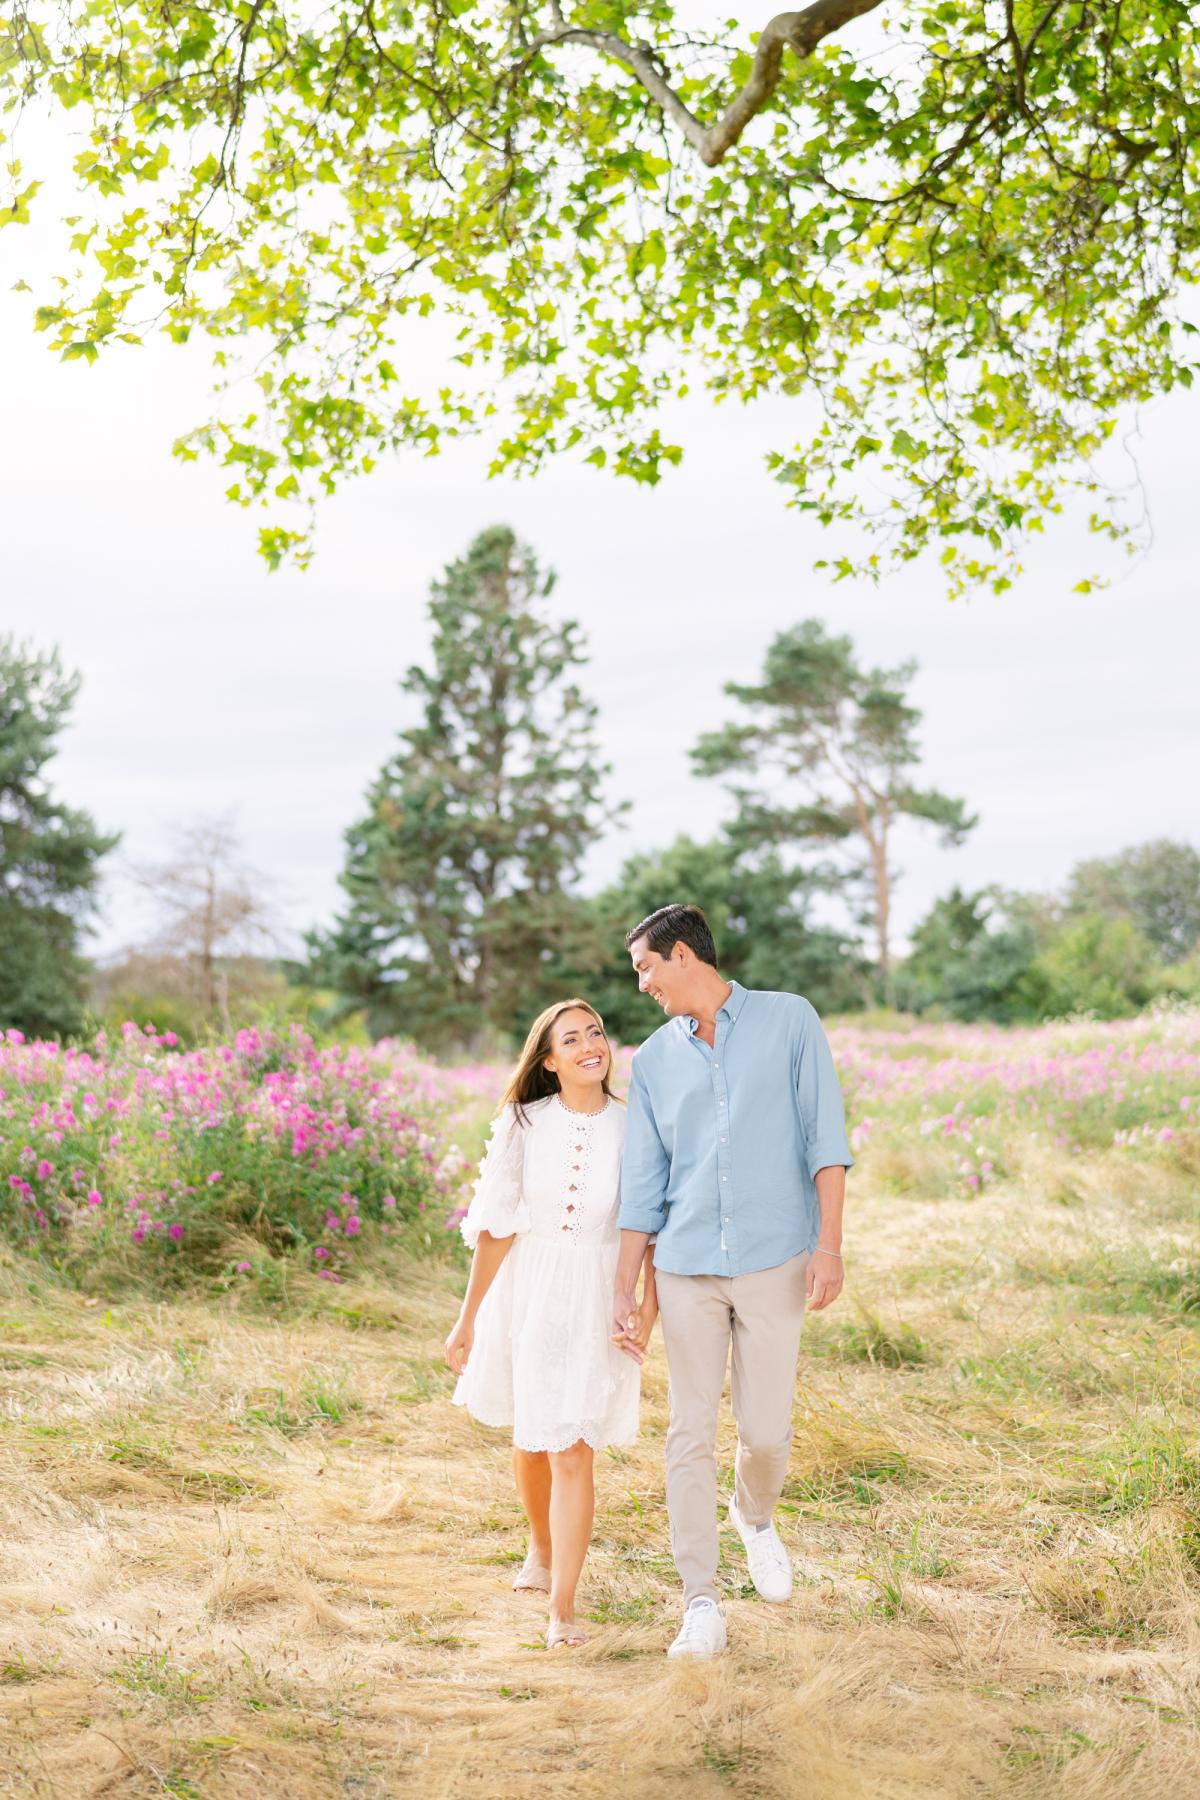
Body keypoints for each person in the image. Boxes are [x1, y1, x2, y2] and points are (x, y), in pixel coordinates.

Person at [611, 904, 852, 1660]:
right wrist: (628, 1290)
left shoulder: (790, 1021)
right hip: (685, 1269)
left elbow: (827, 1139)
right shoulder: (650, 1062)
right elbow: (643, 1189)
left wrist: (830, 1248)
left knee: (767, 1432)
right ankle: (701, 1603)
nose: (642, 984)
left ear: (683, 956)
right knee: (688, 1433)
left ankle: (753, 1516)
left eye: (645, 967)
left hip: (778, 1257)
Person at [444, 998, 657, 1649]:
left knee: (572, 1448)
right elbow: (495, 1225)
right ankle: (539, 1546)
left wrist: (644, 1311)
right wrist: (467, 1320)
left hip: (599, 1295)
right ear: (549, 1059)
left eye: (596, 1031)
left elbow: (648, 1230)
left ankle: (562, 1609)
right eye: (573, 1038)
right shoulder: (522, 1122)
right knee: (533, 1435)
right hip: (529, 1291)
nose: (591, 1044)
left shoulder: (636, 1126)